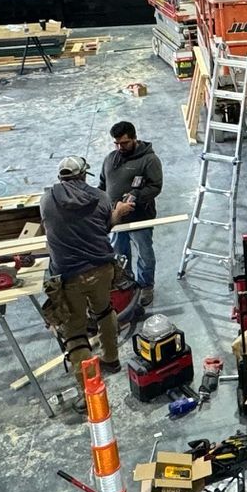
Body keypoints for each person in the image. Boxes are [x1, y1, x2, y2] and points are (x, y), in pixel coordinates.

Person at [41, 155, 135, 389]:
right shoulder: (100, 197)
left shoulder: (47, 199)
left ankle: (89, 389)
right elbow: (104, 227)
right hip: (102, 268)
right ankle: (111, 359)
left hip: (69, 275)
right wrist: (118, 212)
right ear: (84, 175)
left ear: (60, 177)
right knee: (104, 311)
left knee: (75, 331)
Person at [99, 120, 163, 305]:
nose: (120, 147)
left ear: (135, 138)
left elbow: (156, 186)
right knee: (120, 255)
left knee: (145, 254)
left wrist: (136, 195)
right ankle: (127, 285)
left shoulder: (149, 160)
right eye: (116, 143)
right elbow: (102, 185)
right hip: (116, 219)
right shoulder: (110, 159)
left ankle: (146, 286)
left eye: (125, 143)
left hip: (140, 218)